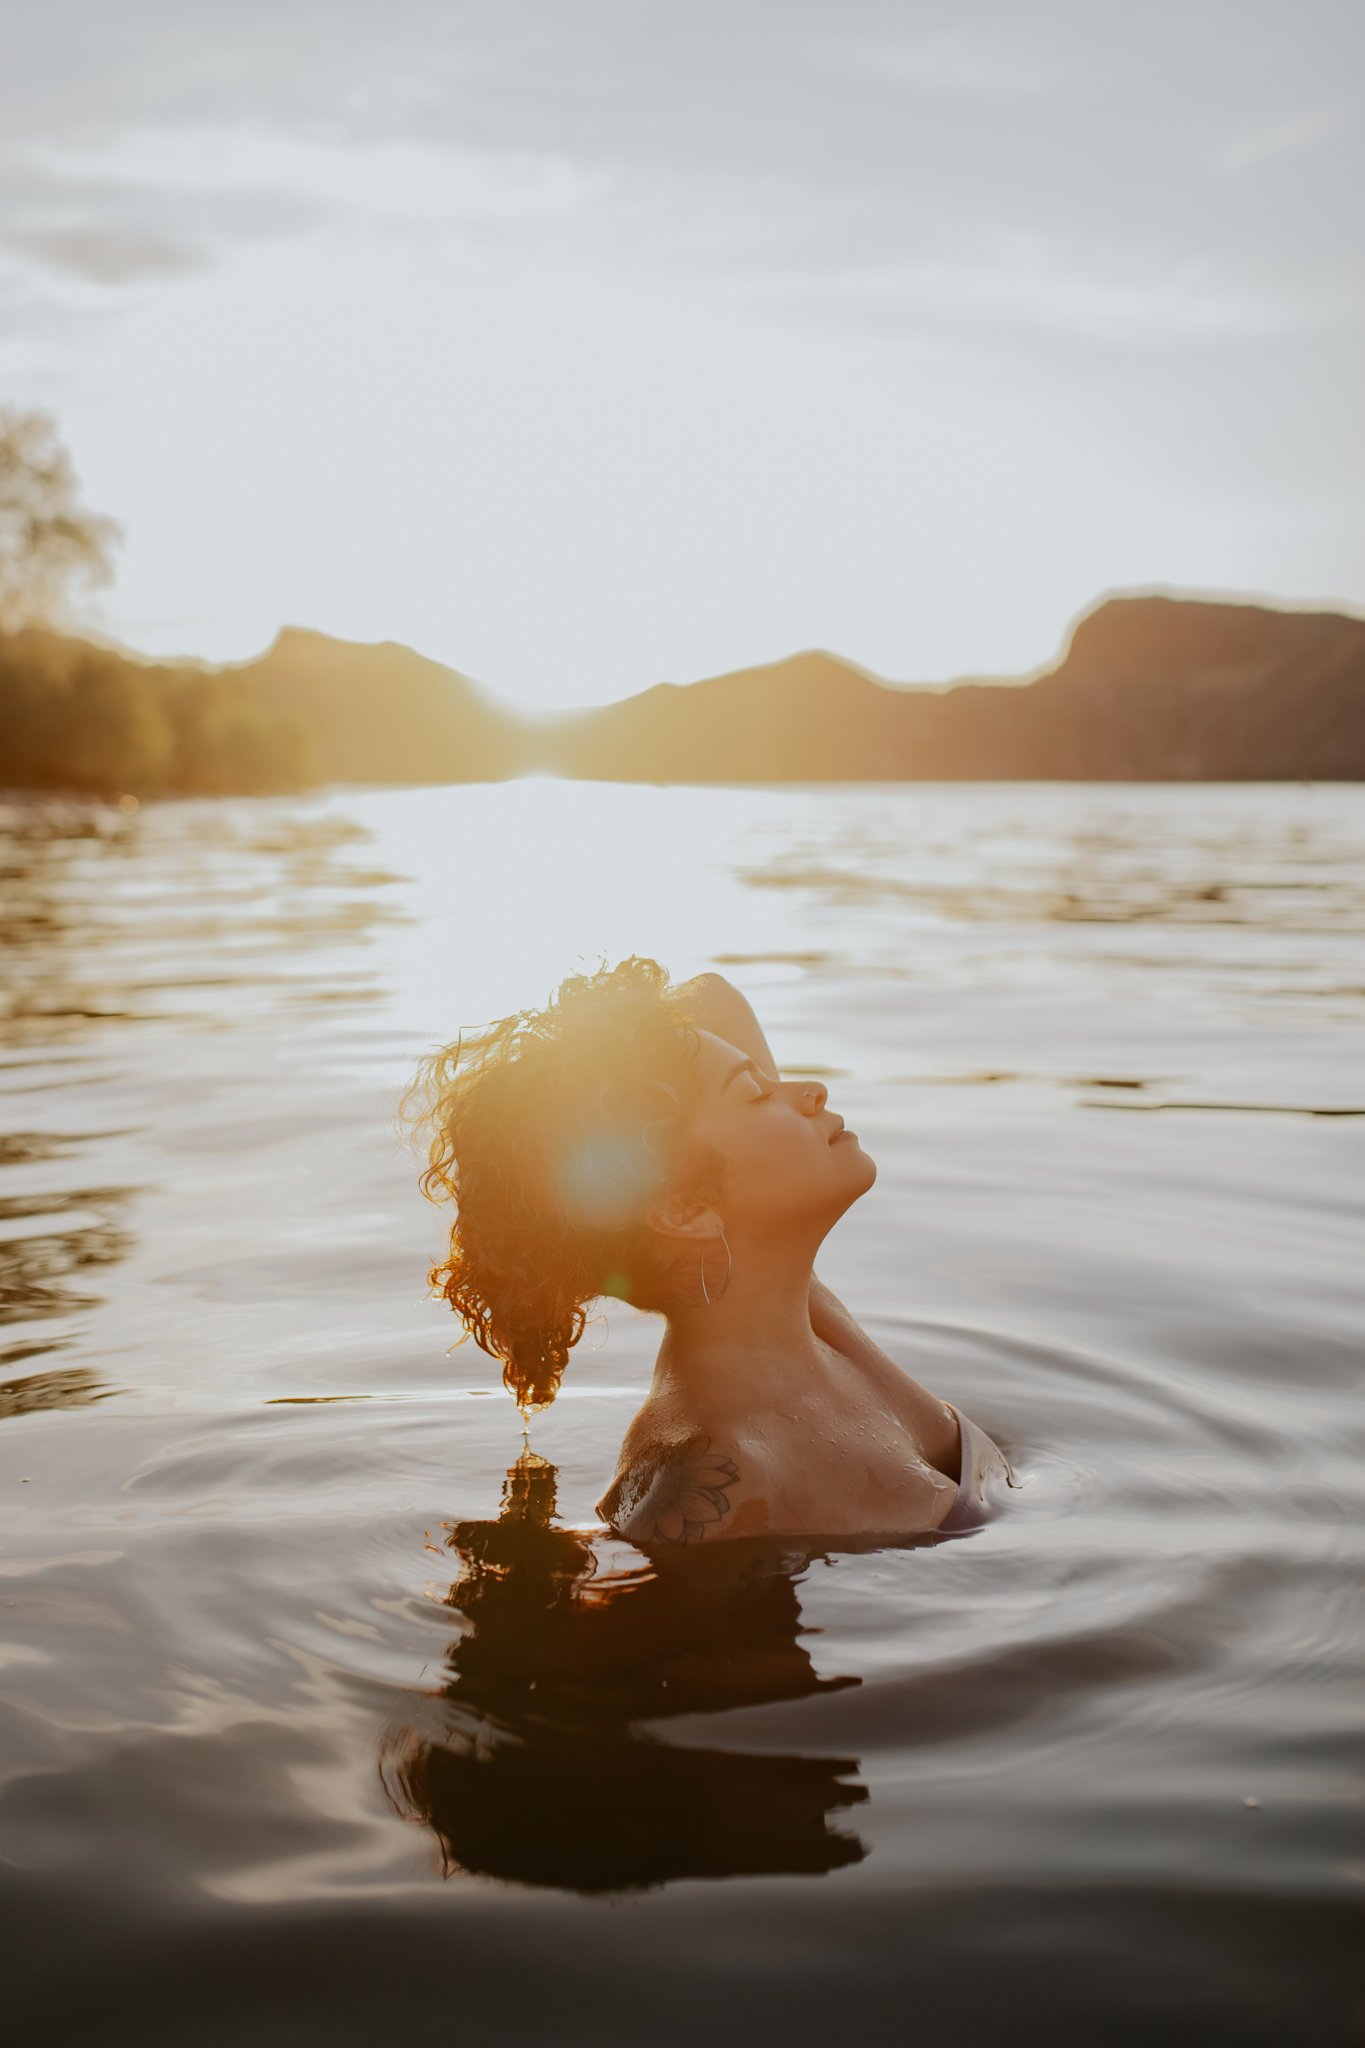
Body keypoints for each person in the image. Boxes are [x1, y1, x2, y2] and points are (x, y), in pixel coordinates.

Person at [405, 956, 1012, 1548]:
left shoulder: (793, 1309)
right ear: (686, 1209)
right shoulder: (718, 1469)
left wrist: (617, 1046)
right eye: (756, 1092)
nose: (809, 1091)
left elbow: (713, 995)